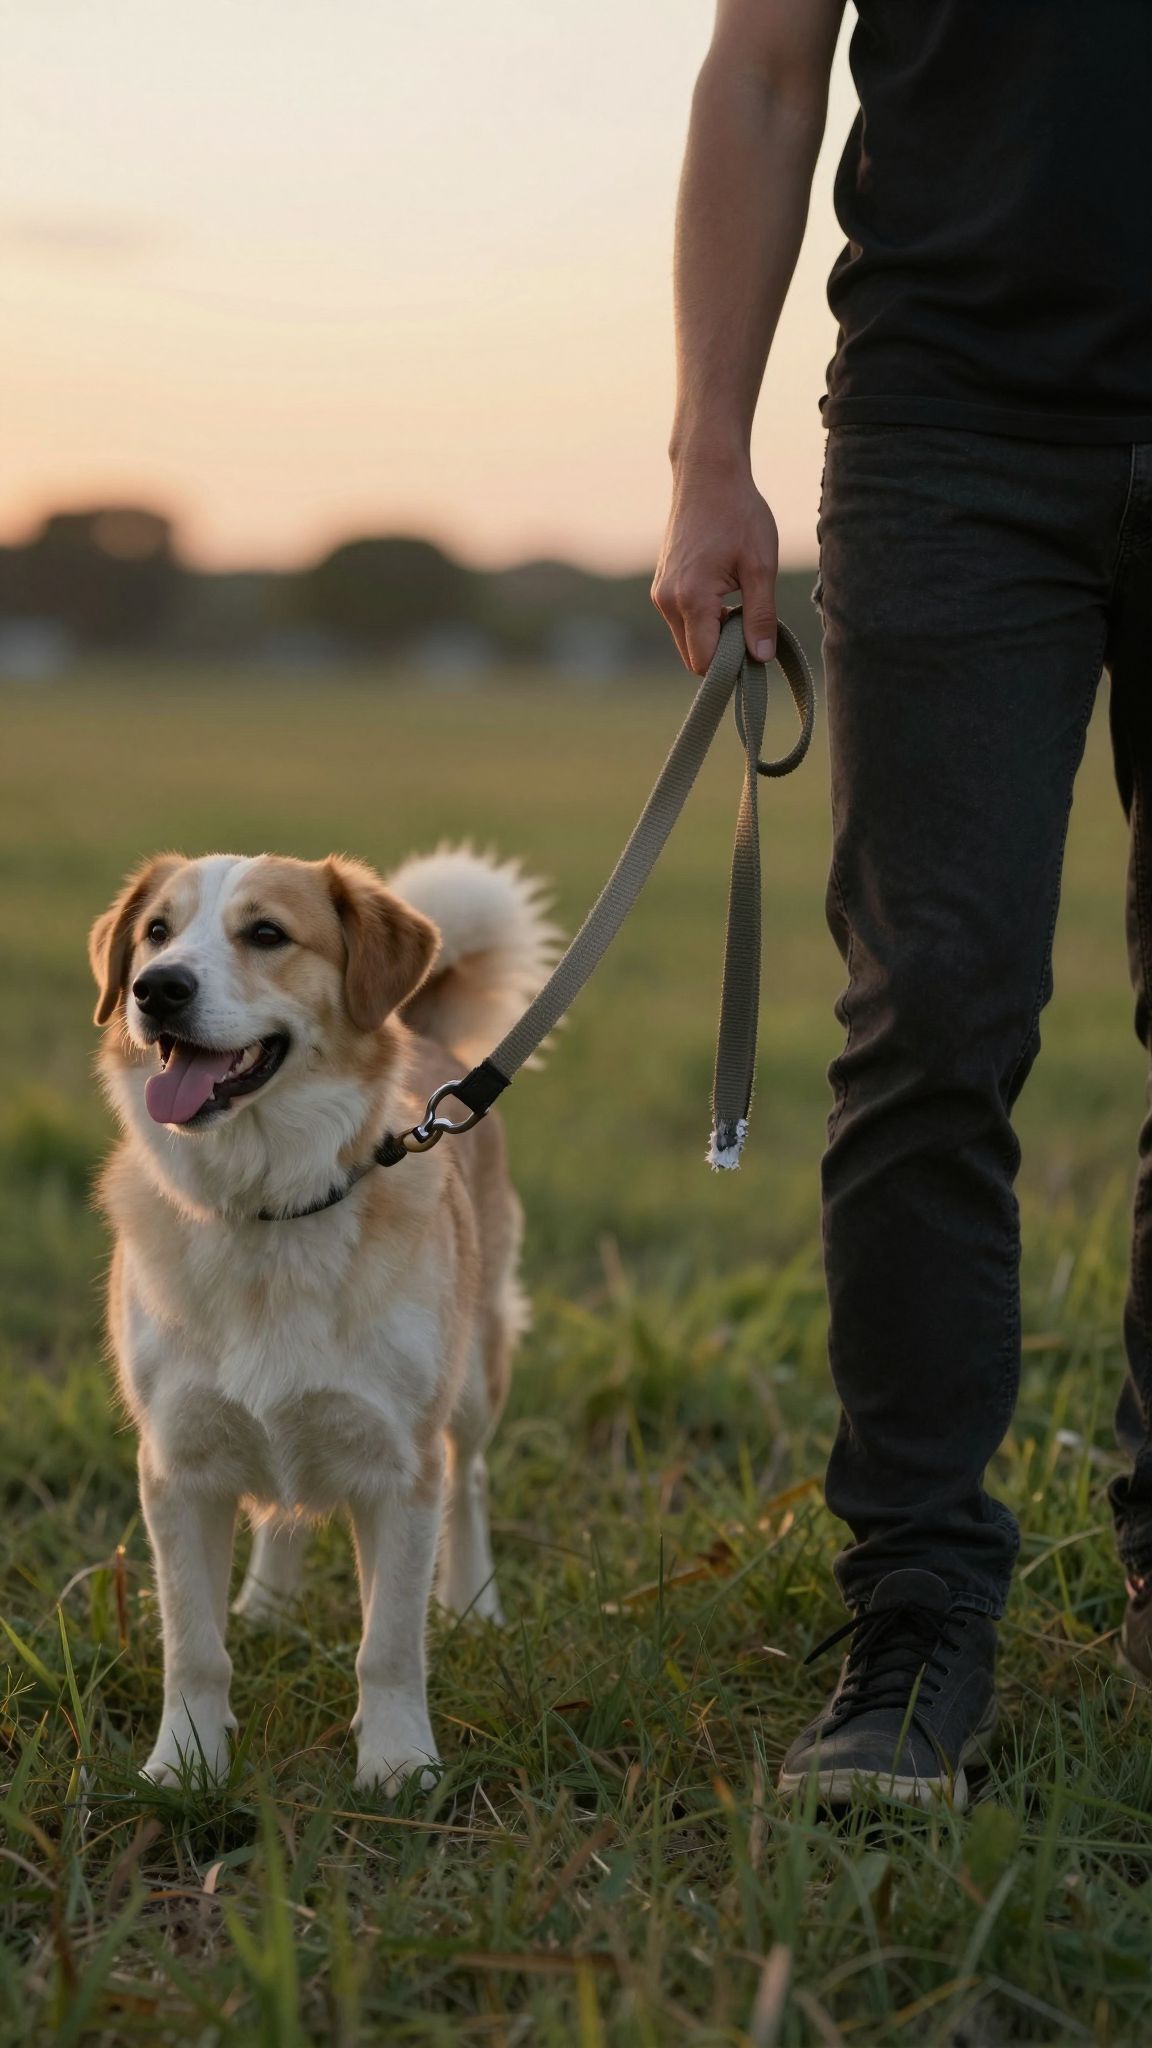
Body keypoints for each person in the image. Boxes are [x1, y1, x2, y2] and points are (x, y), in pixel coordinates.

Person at [654, 0, 1152, 1807]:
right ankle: (919, 1605)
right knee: (933, 1013)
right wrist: (710, 445)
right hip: (954, 428)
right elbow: (767, 64)